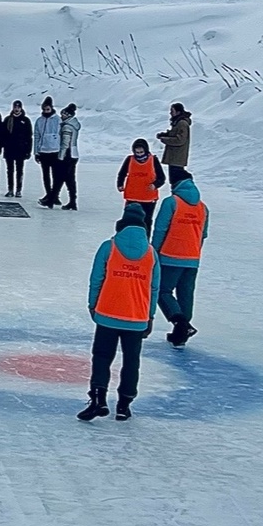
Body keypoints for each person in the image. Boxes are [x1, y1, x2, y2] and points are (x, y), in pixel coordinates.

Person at [79, 201, 158, 423]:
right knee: (132, 360)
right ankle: (124, 404)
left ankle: (98, 399)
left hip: (107, 313)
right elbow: (154, 288)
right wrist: (149, 315)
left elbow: (96, 279)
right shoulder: (151, 254)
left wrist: (93, 305)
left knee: (102, 357)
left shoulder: (109, 247)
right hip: (137, 317)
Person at [152, 176, 209, 346]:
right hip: (193, 258)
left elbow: (160, 229)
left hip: (170, 255)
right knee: (186, 293)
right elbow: (203, 235)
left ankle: (181, 323)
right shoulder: (203, 208)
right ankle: (181, 335)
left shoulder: (171, 202)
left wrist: (154, 252)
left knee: (163, 291)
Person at [115, 139, 165, 229]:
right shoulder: (129, 160)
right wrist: (120, 184)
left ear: (146, 150)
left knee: (146, 222)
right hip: (132, 197)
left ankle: (145, 240)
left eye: (141, 152)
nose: (139, 154)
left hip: (148, 199)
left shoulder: (153, 160)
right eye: (137, 152)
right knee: (129, 221)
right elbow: (122, 173)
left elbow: (162, 178)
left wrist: (155, 185)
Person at [33, 97, 62, 206]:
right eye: (44, 109)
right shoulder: (39, 121)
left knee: (56, 175)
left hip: (55, 151)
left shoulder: (57, 120)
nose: (46, 111)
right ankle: (49, 194)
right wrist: (36, 151)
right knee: (45, 175)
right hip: (43, 152)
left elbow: (61, 135)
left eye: (48, 109)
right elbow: (36, 136)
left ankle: (54, 196)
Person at [158, 103, 193, 188]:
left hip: (177, 156)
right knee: (174, 177)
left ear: (178, 112)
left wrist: (165, 139)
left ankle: (183, 190)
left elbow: (180, 140)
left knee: (176, 177)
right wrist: (166, 134)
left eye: (172, 111)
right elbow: (175, 134)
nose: (170, 113)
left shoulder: (182, 123)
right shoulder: (177, 122)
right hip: (174, 157)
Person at [2, 101, 32, 198]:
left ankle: (18, 190)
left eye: (18, 107)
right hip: (9, 149)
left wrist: (28, 150)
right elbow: (3, 134)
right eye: (15, 107)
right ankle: (10, 189)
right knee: (10, 170)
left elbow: (29, 136)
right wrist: (1, 146)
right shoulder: (8, 120)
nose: (17, 109)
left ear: (21, 108)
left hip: (21, 149)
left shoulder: (25, 120)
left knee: (20, 170)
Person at [54, 102, 81, 211]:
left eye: (63, 114)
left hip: (67, 155)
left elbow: (65, 143)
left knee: (63, 178)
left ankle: (58, 198)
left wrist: (60, 157)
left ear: (68, 115)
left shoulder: (67, 127)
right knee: (70, 179)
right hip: (74, 154)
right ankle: (69, 200)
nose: (62, 116)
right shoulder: (75, 124)